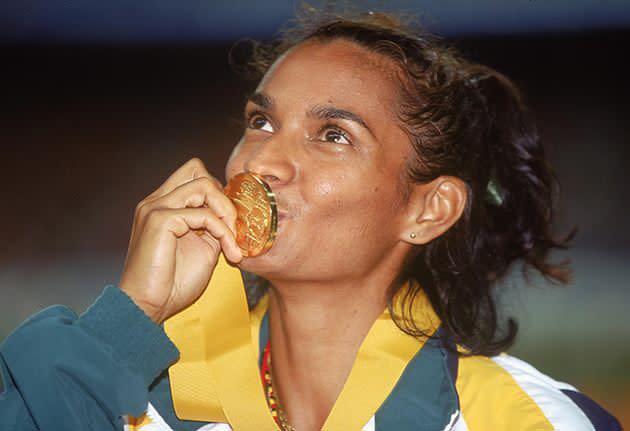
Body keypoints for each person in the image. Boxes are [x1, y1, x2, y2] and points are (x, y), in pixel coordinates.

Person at [0, 9, 621, 431]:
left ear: (428, 211)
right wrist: (127, 320)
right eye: (260, 121)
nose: (263, 160)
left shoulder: (521, 420)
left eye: (332, 135)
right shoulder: (135, 398)